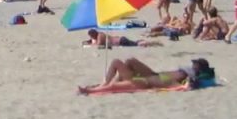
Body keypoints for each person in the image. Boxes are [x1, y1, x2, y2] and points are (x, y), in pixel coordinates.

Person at [77, 57, 211, 95]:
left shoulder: (185, 77)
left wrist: (182, 86)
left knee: (116, 64)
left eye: (196, 65)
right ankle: (105, 84)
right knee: (129, 61)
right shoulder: (183, 73)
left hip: (145, 82)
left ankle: (95, 89)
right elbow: (164, 79)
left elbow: (181, 86)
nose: (193, 65)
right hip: (151, 76)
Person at [84, 29, 162, 49]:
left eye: (91, 36)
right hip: (121, 39)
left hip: (120, 41)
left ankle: (152, 43)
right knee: (135, 43)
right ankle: (150, 42)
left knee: (136, 45)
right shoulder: (99, 34)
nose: (91, 38)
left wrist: (91, 44)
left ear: (93, 34)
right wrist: (90, 41)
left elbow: (99, 44)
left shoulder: (100, 35)